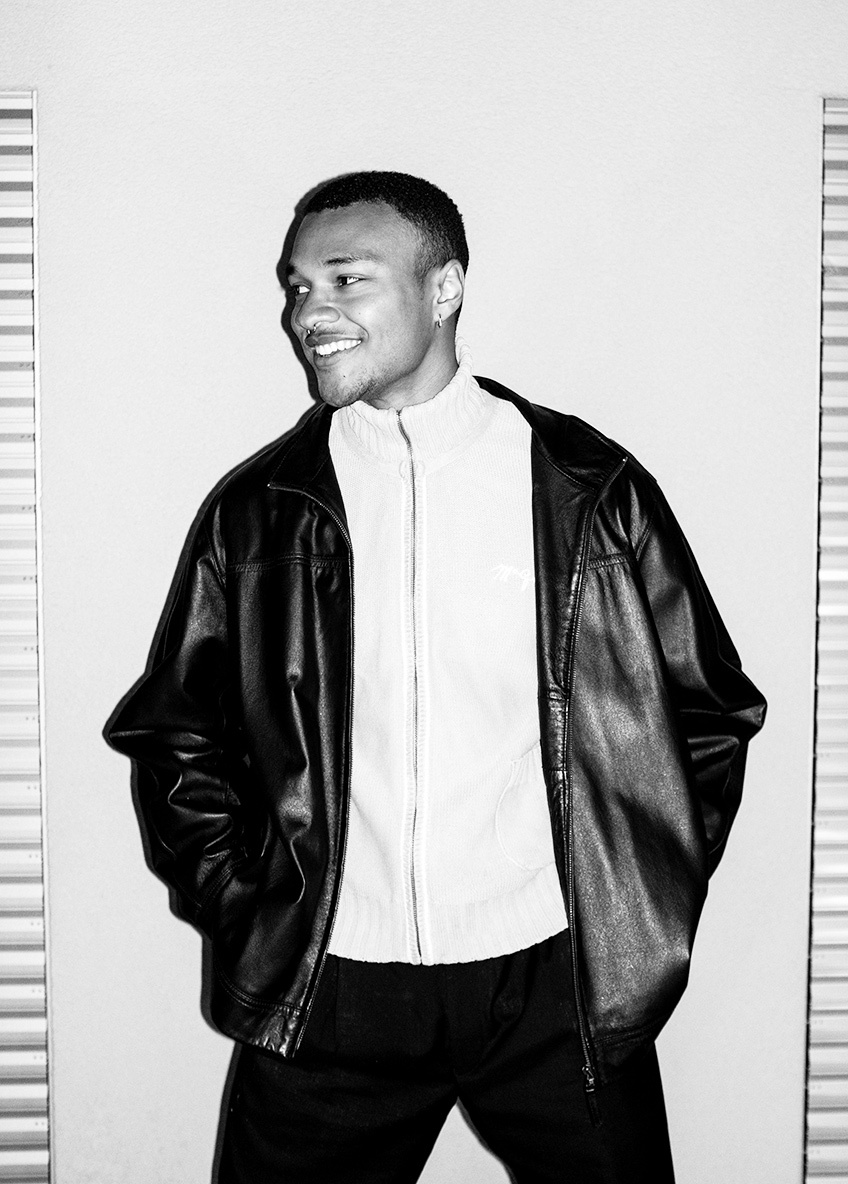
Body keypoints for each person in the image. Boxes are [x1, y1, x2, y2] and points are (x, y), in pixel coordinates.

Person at [105, 171, 766, 1183]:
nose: (308, 312)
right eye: (297, 286)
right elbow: (176, 732)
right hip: (334, 985)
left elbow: (707, 710)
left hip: (552, 981)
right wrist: (249, 901)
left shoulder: (585, 489)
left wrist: (631, 883)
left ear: (444, 287)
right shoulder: (261, 510)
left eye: (346, 279)